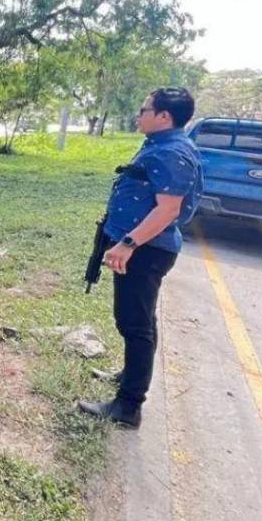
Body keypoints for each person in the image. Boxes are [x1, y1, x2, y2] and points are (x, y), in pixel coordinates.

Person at [78, 88, 202, 429]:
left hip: (146, 251)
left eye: (144, 108)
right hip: (145, 247)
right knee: (142, 321)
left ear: (164, 116)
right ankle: (130, 377)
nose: (138, 113)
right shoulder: (161, 144)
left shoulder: (172, 153)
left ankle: (129, 406)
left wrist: (128, 244)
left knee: (133, 324)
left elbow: (168, 210)